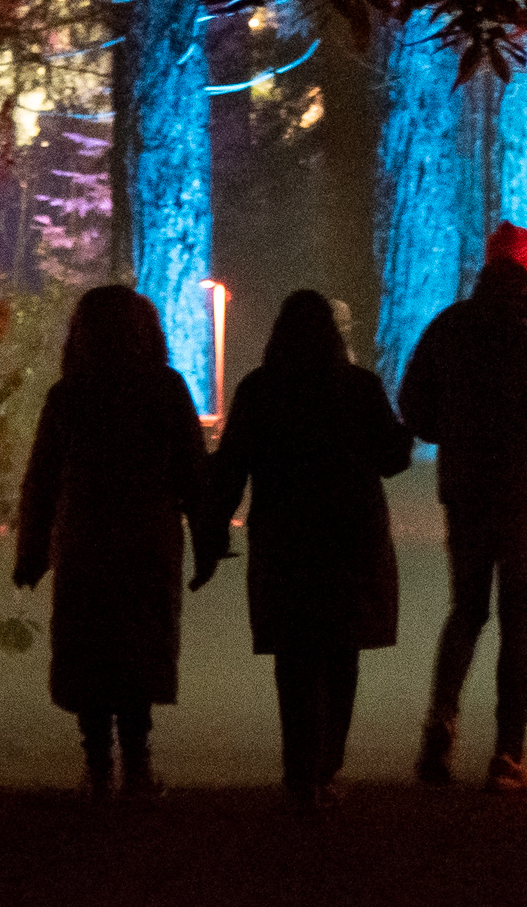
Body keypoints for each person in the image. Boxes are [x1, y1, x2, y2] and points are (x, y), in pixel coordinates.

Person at [399, 222, 527, 790]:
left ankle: (440, 729)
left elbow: (413, 401)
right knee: (519, 620)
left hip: (467, 488)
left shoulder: (450, 327)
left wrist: (450, 434)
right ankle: (507, 756)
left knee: (466, 609)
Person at [197, 288, 417, 806]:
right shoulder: (358, 387)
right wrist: (406, 431)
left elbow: (231, 468)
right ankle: (327, 768)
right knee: (342, 653)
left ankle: (300, 771)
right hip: (351, 538)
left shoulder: (260, 389)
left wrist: (211, 530)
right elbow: (391, 460)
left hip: (284, 538)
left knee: (294, 658)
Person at [10, 283, 212, 801]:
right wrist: (208, 540)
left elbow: (42, 479)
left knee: (90, 649)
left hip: (85, 539)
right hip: (147, 539)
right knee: (138, 647)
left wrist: (32, 549)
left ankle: (97, 764)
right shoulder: (165, 389)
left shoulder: (70, 395)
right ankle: (137, 764)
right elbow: (194, 472)